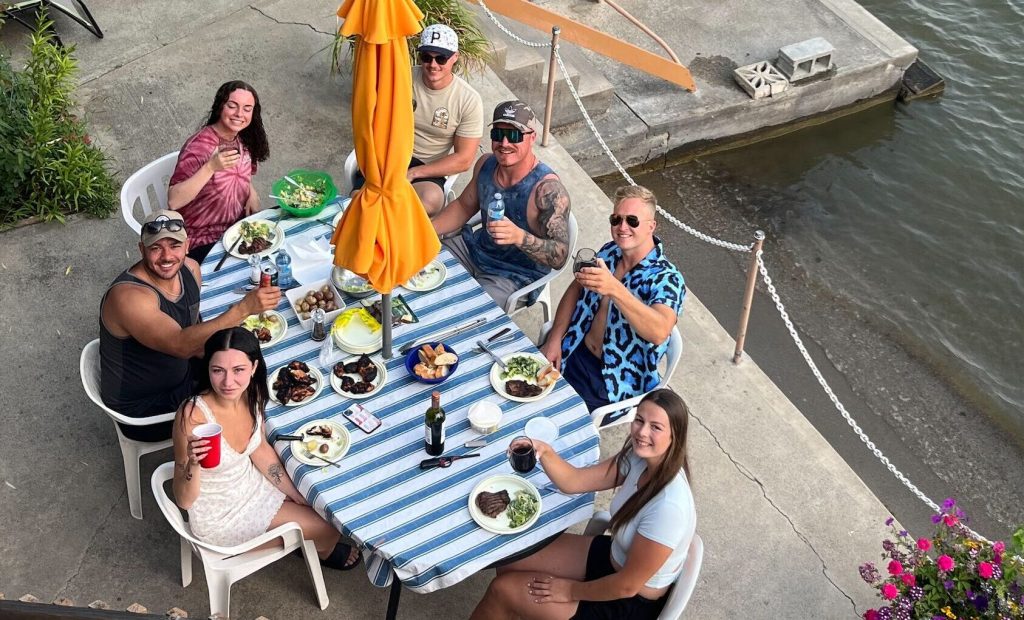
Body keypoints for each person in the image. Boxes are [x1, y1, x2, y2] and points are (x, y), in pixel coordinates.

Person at [470, 389, 696, 620]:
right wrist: (544, 451)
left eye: (655, 427)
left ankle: (511, 605)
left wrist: (568, 590)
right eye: (639, 420)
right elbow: (575, 481)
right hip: (612, 556)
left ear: (674, 436)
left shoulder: (669, 509)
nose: (642, 432)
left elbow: (626, 586)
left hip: (626, 601)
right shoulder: (639, 457)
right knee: (512, 558)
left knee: (502, 590)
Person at [172, 327, 359, 569]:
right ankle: (320, 548)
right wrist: (193, 465)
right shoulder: (192, 417)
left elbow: (259, 450)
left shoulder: (251, 393)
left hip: (251, 486)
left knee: (323, 505)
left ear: (254, 368)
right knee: (328, 527)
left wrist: (296, 494)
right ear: (208, 369)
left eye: (238, 370)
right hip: (219, 517)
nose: (228, 382)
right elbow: (184, 501)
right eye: (218, 371)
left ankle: (306, 538)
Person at [99, 210, 279, 442]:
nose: (166, 256)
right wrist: (242, 310)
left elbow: (196, 328)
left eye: (174, 246)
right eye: (155, 248)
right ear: (141, 250)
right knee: (250, 396)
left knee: (255, 365)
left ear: (187, 246)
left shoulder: (191, 269)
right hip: (146, 408)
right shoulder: (129, 298)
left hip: (183, 372)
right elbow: (182, 345)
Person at [540, 185, 685, 412]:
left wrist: (614, 288)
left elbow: (659, 332)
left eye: (632, 221)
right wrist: (555, 339)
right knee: (520, 384)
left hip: (610, 380)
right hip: (573, 349)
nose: (622, 227)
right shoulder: (609, 252)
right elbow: (575, 289)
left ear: (651, 226)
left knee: (550, 415)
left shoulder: (666, 279)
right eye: (615, 219)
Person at [432, 100, 571, 309]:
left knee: (466, 313)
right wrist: (425, 231)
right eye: (498, 134)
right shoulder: (486, 164)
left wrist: (519, 236)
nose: (504, 143)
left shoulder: (547, 190)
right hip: (473, 249)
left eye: (514, 135)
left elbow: (559, 255)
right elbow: (463, 206)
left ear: (532, 137)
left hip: (513, 273)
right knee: (420, 266)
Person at [352, 24, 483, 217]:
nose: (433, 64)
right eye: (426, 57)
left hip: (427, 167)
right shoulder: (401, 77)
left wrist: (415, 173)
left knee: (429, 200)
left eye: (441, 58)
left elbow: (464, 159)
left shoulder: (468, 99)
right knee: (359, 199)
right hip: (387, 157)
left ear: (455, 57)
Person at [168, 80, 270, 263]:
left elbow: (241, 172)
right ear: (220, 107)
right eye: (232, 106)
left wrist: (250, 191)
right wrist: (210, 167)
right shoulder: (200, 147)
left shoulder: (242, 139)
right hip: (201, 240)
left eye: (247, 109)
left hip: (237, 230)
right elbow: (174, 200)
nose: (240, 114)